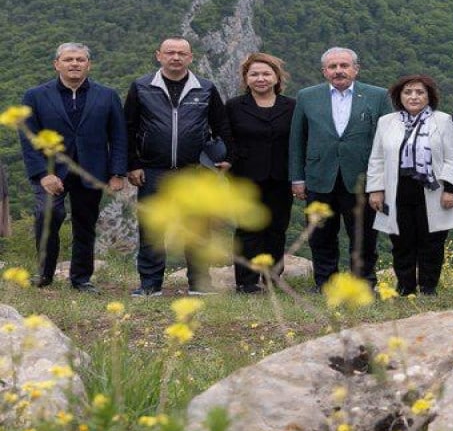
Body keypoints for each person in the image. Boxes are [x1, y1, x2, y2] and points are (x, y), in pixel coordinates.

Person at [125, 37, 232, 296]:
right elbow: (127, 128)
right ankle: (150, 285)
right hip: (152, 170)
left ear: (190, 57)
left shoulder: (205, 88)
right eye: (170, 53)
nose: (175, 57)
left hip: (194, 170)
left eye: (181, 53)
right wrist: (133, 163)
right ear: (158, 55)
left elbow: (222, 126)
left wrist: (225, 159)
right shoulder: (141, 87)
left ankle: (199, 283)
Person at [19, 42, 127, 291]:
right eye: (68, 59)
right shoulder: (35, 96)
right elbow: (28, 137)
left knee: (85, 224)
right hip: (51, 171)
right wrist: (43, 174)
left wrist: (117, 173)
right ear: (57, 64)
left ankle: (81, 279)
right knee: (48, 216)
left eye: (80, 59)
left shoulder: (107, 95)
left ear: (88, 64)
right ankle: (45, 274)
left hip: (92, 170)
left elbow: (118, 136)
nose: (74, 64)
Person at [289, 47, 391, 290]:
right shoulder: (307, 96)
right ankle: (325, 283)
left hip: (362, 179)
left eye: (344, 66)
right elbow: (297, 140)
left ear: (356, 69)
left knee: (364, 236)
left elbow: (387, 141)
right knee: (320, 235)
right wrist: (297, 178)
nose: (339, 71)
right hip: (319, 177)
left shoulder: (377, 96)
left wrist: (382, 182)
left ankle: (364, 283)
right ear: (324, 71)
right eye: (333, 67)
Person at [366, 75, 453, 295]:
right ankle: (405, 287)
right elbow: (377, 158)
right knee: (401, 241)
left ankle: (428, 287)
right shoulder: (387, 122)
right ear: (398, 96)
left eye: (420, 92)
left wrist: (450, 189)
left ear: (429, 96)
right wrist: (376, 189)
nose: (413, 97)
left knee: (431, 241)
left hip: (432, 189)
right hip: (397, 189)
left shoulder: (442, 120)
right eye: (408, 92)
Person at [225, 52, 296, 293]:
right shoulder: (234, 106)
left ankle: (273, 278)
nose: (261, 78)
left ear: (277, 77)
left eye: (266, 73)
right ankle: (246, 282)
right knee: (247, 229)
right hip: (244, 176)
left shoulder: (291, 106)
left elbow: (297, 141)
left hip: (280, 176)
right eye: (254, 74)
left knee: (276, 228)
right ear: (246, 78)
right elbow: (227, 140)